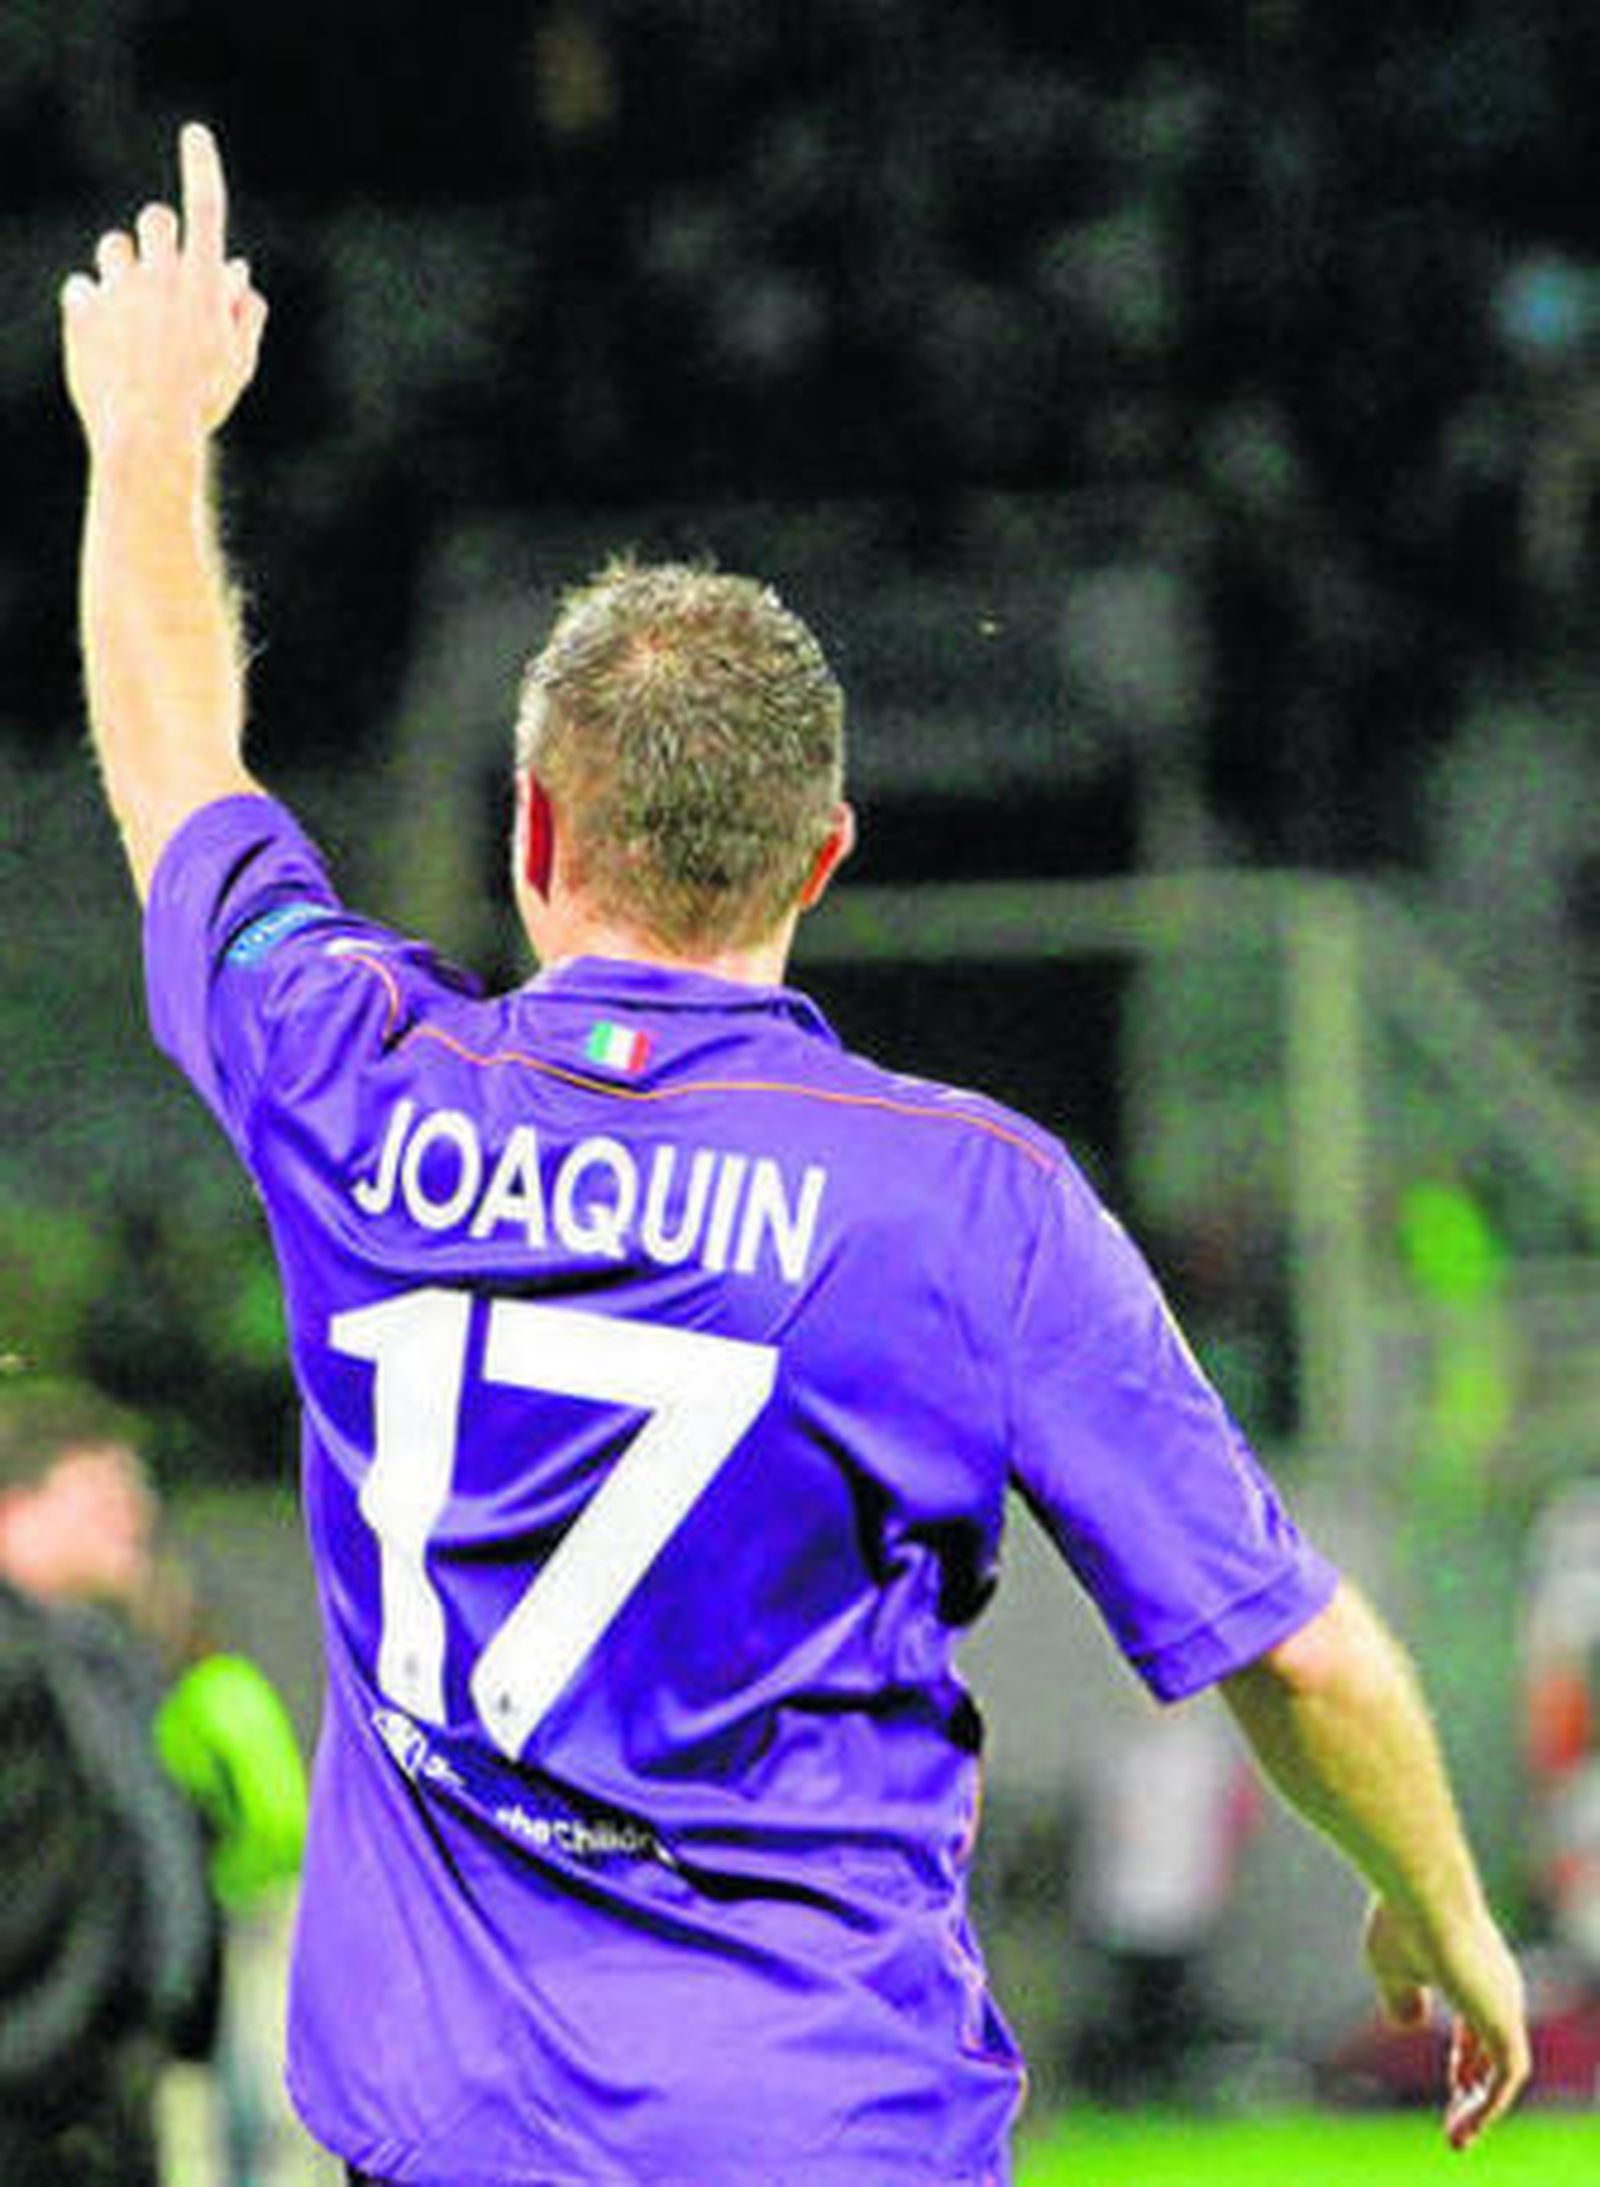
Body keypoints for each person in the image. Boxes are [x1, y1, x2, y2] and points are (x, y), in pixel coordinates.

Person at [58, 122, 1529, 2182]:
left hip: (453, 2142)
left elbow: (174, 758)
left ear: (533, 837)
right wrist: (1442, 1907)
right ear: (823, 858)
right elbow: (1288, 1646)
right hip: (826, 2134)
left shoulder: (353, 1079)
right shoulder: (964, 1199)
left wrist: (144, 432)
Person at [0, 1381, 223, 2185]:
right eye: (104, 1488)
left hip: (99, 2102)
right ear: (16, 1504)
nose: (138, 1511)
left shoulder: (100, 1659)